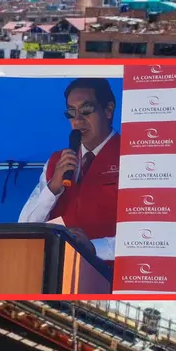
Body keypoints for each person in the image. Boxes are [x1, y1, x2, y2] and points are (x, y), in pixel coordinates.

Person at [18, 77, 121, 264]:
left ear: (108, 110)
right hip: (59, 271)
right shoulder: (56, 162)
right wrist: (53, 188)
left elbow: (148, 235)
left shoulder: (132, 158)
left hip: (111, 275)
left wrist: (95, 247)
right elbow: (24, 227)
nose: (77, 121)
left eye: (86, 110)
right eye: (71, 113)